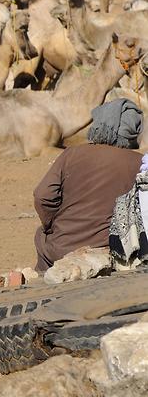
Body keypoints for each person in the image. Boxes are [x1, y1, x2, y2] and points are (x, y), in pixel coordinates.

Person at [33, 98, 143, 272]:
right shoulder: (139, 163)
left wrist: (51, 225)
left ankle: (42, 278)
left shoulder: (71, 154)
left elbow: (43, 196)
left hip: (61, 248)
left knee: (41, 237)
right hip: (114, 251)